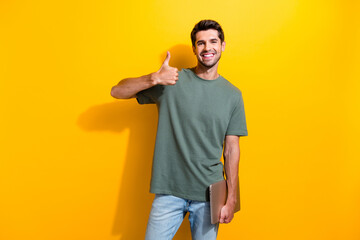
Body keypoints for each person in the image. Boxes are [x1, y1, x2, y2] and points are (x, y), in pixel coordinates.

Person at [111, 19, 248, 240]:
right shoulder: (171, 81)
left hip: (209, 194)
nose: (207, 48)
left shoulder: (233, 95)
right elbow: (117, 91)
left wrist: (231, 198)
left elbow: (232, 149)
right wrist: (153, 78)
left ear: (223, 45)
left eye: (213, 41)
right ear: (194, 48)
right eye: (201, 43)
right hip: (169, 192)